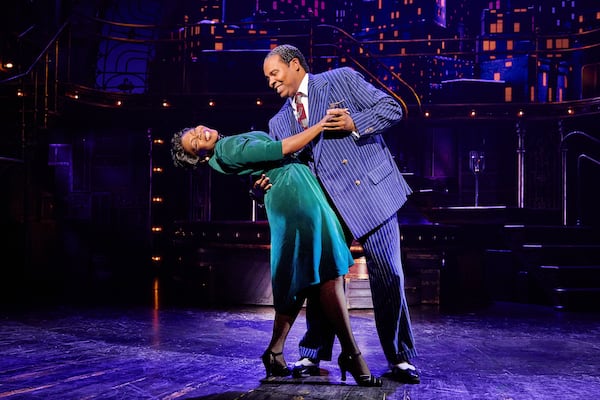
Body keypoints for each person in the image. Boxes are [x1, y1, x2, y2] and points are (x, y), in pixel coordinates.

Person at [171, 122, 382, 387]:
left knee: (306, 278)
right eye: (195, 142)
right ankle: (352, 354)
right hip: (297, 201)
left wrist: (257, 190)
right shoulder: (226, 148)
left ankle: (276, 351)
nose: (200, 134)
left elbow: (262, 164)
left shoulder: (221, 155)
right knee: (328, 272)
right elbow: (284, 148)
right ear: (200, 155)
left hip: (295, 195)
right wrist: (321, 125)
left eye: (195, 130)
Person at [256, 44, 420, 384]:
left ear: (295, 65)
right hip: (327, 208)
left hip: (371, 194)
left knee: (389, 274)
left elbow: (392, 108)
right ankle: (312, 352)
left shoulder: (340, 80)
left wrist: (355, 122)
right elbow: (281, 170)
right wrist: (260, 186)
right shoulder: (278, 122)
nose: (271, 82)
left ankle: (400, 357)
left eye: (275, 73)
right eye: (267, 78)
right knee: (323, 281)